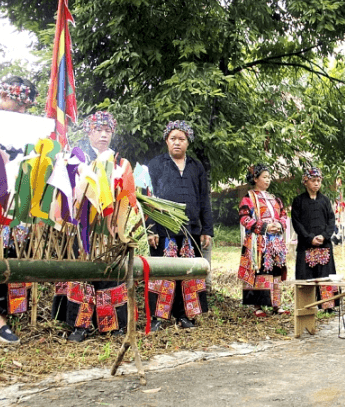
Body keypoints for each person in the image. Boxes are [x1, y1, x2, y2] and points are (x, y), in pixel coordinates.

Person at [52, 111, 130, 342]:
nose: (104, 135)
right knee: (82, 271)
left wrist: (120, 220)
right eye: (99, 130)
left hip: (109, 227)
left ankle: (111, 323)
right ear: (89, 132)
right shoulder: (78, 158)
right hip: (83, 226)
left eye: (108, 131)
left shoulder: (119, 162)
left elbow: (125, 195)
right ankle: (80, 325)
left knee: (110, 270)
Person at [146, 121, 213, 331]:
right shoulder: (156, 165)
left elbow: (204, 199)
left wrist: (206, 230)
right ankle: (157, 317)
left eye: (181, 139)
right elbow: (147, 199)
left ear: (188, 142)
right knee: (161, 274)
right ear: (166, 141)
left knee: (188, 274)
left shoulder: (196, 166)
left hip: (190, 231)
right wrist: (150, 229)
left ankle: (185, 316)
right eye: (173, 138)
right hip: (162, 231)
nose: (177, 142)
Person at [0, 76, 37, 344]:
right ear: (4, 97)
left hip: (15, 203)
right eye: (19, 104)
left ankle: (6, 315)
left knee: (10, 257)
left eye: (27, 106)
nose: (23, 111)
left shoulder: (24, 132)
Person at [238, 164, 289, 317]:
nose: (268, 180)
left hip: (275, 242)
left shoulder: (275, 199)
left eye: (269, 177)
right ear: (255, 178)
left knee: (276, 271)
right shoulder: (248, 198)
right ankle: (258, 306)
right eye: (264, 177)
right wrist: (265, 227)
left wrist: (279, 225)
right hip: (258, 242)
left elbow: (284, 215)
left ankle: (276, 305)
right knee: (258, 270)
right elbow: (244, 218)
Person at [291, 167, 338, 310]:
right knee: (306, 276)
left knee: (326, 275)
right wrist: (309, 238)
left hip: (324, 245)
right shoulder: (298, 201)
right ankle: (306, 306)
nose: (316, 184)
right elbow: (296, 222)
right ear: (305, 182)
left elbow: (331, 221)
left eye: (318, 181)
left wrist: (324, 237)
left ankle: (328, 306)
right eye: (313, 181)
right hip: (306, 246)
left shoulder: (325, 200)